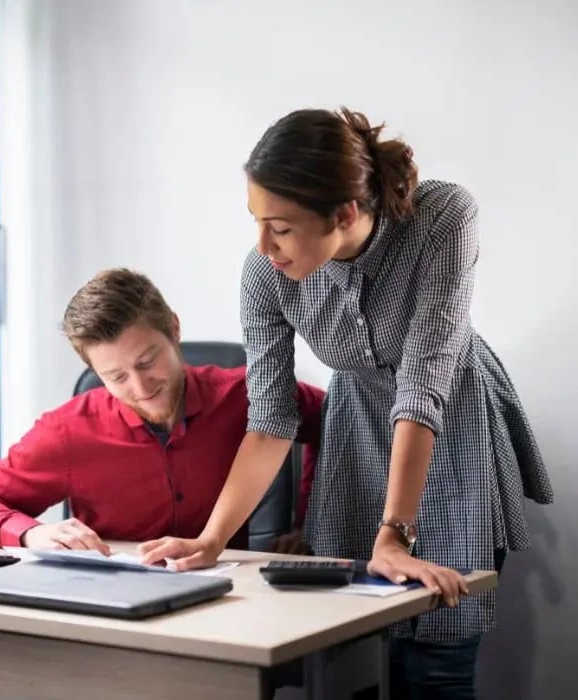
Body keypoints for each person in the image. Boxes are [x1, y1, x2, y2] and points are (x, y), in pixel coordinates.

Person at [137, 108, 554, 698]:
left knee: (437, 657)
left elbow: (425, 379)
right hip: (356, 429)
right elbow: (271, 422)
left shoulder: (441, 217)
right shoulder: (265, 274)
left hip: (452, 422)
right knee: (344, 649)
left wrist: (395, 533)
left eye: (279, 226)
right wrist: (211, 540)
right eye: (256, 221)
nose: (262, 245)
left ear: (345, 213)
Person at [0, 268, 325, 552]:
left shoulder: (246, 395)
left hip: (229, 598)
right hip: (117, 609)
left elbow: (336, 421)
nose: (141, 388)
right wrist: (31, 532)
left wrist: (312, 523)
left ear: (174, 329)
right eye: (116, 376)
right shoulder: (67, 431)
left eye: (147, 361)